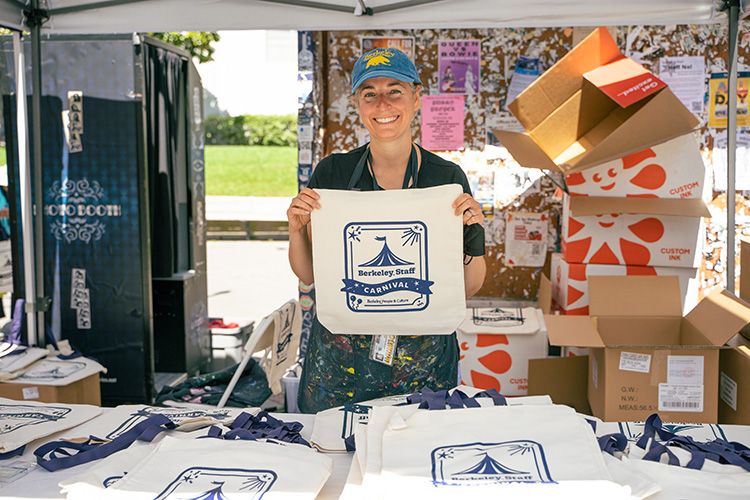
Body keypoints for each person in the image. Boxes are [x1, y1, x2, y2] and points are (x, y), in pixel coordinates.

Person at [286, 47, 487, 414]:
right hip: (340, 364)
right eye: (369, 94)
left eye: (394, 90)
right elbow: (310, 274)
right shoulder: (333, 174)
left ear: (416, 96)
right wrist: (296, 229)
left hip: (422, 363)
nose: (383, 104)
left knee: (414, 457)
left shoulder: (446, 179)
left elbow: (469, 285)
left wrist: (474, 234)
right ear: (357, 103)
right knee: (334, 455)